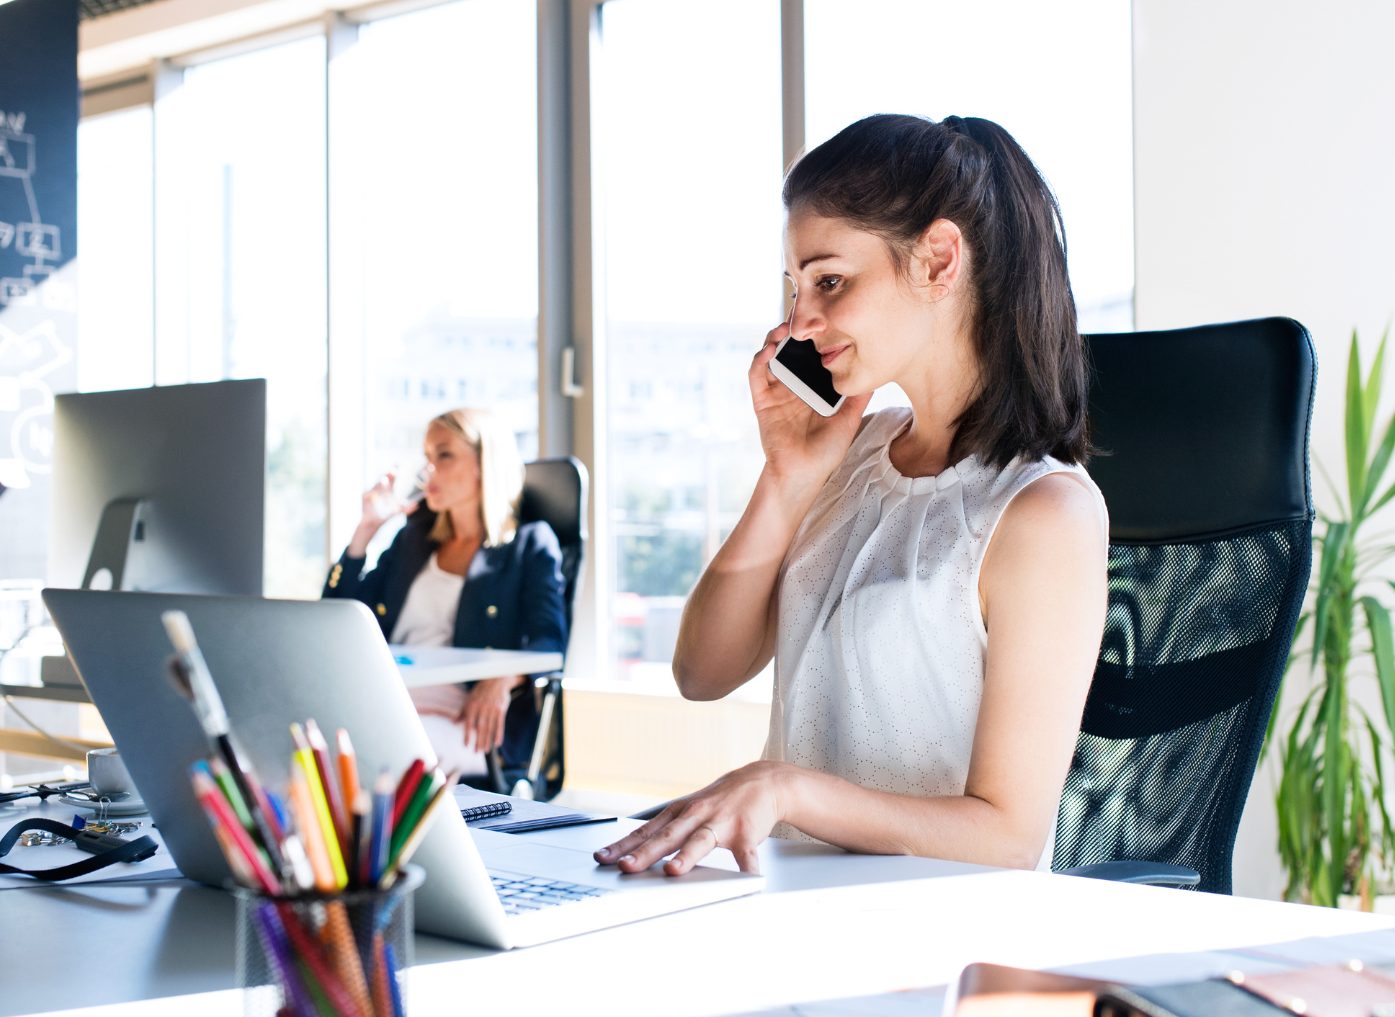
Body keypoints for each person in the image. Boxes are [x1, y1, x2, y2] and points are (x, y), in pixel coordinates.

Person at [595, 114, 1108, 877]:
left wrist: (789, 791)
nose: (799, 321)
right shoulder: (852, 451)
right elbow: (701, 672)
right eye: (796, 288)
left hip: (924, 940)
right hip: (786, 900)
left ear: (937, 261)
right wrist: (787, 477)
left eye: (828, 281)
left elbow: (1007, 837)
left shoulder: (1042, 513)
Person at [323, 407, 567, 782]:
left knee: (379, 757)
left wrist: (503, 678)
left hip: (464, 716)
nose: (427, 471)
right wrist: (366, 531)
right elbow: (336, 619)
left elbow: (549, 641)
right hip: (383, 698)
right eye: (427, 458)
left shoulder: (529, 545)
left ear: (484, 464)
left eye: (444, 455)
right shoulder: (414, 540)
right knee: (302, 744)